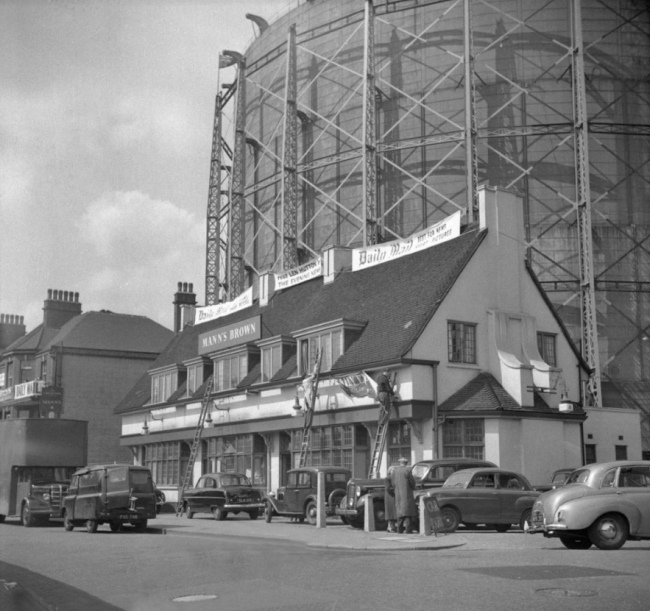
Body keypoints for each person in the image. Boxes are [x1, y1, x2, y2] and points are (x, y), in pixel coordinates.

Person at [390, 457, 417, 533]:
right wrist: (413, 487)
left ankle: (399, 530)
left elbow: (393, 483)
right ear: (406, 463)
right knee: (408, 513)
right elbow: (412, 482)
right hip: (407, 494)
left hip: (398, 494)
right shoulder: (408, 470)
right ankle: (408, 530)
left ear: (400, 463)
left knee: (400, 513)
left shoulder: (395, 471)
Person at [384, 465, 397, 533]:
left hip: (393, 497)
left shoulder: (394, 478)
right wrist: (395, 490)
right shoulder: (387, 479)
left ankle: (392, 527)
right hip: (390, 497)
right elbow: (388, 488)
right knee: (391, 513)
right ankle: (390, 527)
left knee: (393, 512)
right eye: (393, 470)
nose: (394, 472)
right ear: (389, 471)